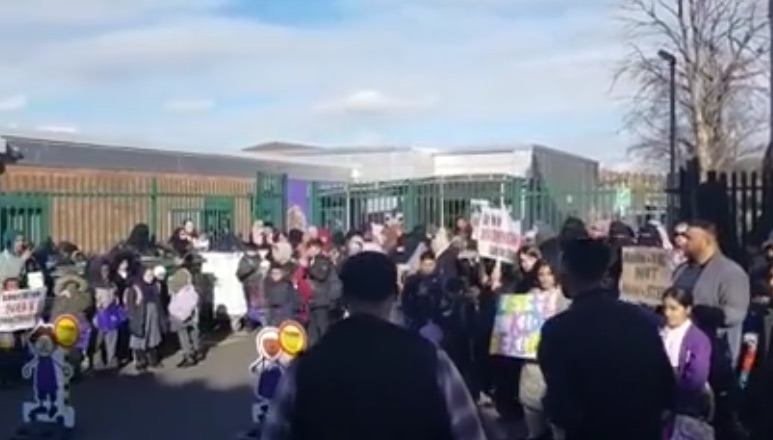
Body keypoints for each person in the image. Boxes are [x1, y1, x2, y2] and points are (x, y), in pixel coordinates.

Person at [261, 251, 487, 440]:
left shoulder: (305, 367)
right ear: (394, 295)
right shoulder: (432, 360)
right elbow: (469, 430)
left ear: (344, 296)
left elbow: (274, 432)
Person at [537, 237, 675, 440]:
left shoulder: (559, 329)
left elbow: (560, 403)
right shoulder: (642, 321)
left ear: (567, 271)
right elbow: (665, 386)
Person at [671, 219, 749, 439]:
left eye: (690, 238)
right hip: (680, 359)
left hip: (715, 362)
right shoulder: (681, 271)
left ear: (707, 241)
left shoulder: (731, 273)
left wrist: (698, 312)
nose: (683, 242)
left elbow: (735, 313)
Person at [519, 260, 569, 440]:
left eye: (549, 274)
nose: (545, 278)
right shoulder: (529, 297)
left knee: (557, 420)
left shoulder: (565, 299)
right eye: (541, 274)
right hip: (532, 362)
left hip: (556, 364)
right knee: (532, 410)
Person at [659, 287, 713, 433]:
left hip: (683, 405)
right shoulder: (658, 332)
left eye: (673, 309)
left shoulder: (698, 340)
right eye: (665, 308)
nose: (667, 313)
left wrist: (673, 402)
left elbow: (696, 378)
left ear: (687, 309)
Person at [125, 265, 165, 372]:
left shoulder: (156, 286)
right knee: (139, 338)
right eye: (148, 275)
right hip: (140, 315)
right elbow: (130, 304)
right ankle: (140, 361)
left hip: (153, 316)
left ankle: (153, 360)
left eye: (152, 275)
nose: (150, 277)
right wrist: (133, 316)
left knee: (153, 337)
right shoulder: (136, 287)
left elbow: (160, 302)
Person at [167, 257, 202, 368]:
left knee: (183, 333)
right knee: (192, 330)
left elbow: (173, 287)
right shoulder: (192, 273)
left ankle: (188, 356)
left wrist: (170, 284)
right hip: (190, 306)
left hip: (182, 307)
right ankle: (196, 351)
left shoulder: (180, 274)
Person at [263, 262, 301, 327]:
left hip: (286, 316)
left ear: (282, 273)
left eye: (277, 273)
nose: (275, 275)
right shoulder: (267, 284)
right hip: (272, 317)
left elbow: (295, 301)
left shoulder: (287, 285)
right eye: (273, 273)